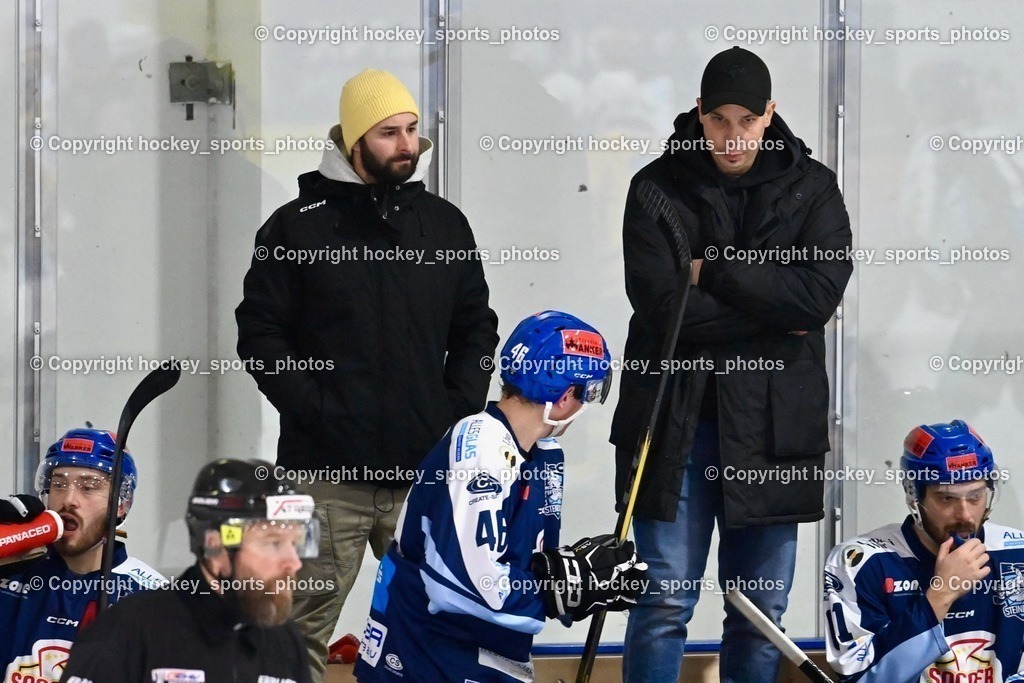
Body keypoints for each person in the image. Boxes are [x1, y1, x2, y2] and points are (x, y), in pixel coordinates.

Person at [235, 67, 499, 681]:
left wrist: (455, 410)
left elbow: (475, 327)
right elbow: (260, 334)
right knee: (290, 633)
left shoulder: (444, 224)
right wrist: (316, 409)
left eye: (411, 131)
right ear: (353, 142)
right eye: (388, 133)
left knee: (441, 630)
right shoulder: (295, 227)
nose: (406, 145)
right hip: (323, 478)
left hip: (425, 477)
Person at [609, 46, 854, 683]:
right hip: (673, 425)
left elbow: (817, 297)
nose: (733, 135)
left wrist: (711, 271)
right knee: (663, 601)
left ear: (770, 114)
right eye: (719, 120)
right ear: (699, 114)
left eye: (747, 119)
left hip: (775, 432)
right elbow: (663, 310)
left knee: (761, 608)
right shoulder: (656, 189)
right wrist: (775, 307)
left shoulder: (813, 188)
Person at [354, 311, 648, 683]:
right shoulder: (480, 448)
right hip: (426, 659)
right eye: (590, 393)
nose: (587, 407)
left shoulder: (543, 451)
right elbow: (464, 585)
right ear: (565, 396)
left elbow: (516, 562)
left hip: (483, 657)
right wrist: (556, 590)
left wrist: (573, 578)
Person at [60, 458, 320, 682]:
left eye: (295, 544)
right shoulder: (128, 631)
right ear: (216, 544)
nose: (293, 562)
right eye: (273, 543)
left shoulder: (285, 641)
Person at [824, 420, 1024, 683]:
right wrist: (941, 594)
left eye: (975, 497)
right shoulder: (862, 563)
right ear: (914, 496)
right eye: (946, 498)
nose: (965, 515)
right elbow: (860, 679)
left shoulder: (1016, 551)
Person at [0, 428, 164, 682]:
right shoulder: (12, 570)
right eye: (58, 484)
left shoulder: (151, 598)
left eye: (88, 487)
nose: (68, 499)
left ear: (120, 504)